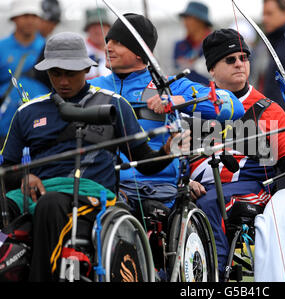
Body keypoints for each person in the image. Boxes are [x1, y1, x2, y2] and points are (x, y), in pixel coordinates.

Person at [0, 31, 189, 281]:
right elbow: (8, 169)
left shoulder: (114, 105)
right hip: (39, 193)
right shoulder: (27, 112)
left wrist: (167, 151)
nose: (63, 80)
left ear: (86, 69)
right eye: (56, 73)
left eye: (71, 72)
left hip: (93, 196)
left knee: (50, 204)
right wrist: (25, 176)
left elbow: (144, 163)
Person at [149, 28, 285, 279]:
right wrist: (186, 182)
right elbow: (176, 157)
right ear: (211, 69)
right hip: (200, 187)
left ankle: (215, 274)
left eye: (244, 58)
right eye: (230, 60)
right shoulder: (191, 107)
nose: (240, 64)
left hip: (252, 189)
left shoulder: (269, 110)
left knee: (211, 203)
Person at [88, 14, 244, 212]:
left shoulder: (169, 86)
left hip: (155, 188)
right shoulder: (91, 87)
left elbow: (233, 106)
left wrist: (180, 101)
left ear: (139, 53)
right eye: (108, 41)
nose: (108, 47)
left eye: (118, 42)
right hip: (102, 185)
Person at [0, 0, 48, 146]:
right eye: (25, 15)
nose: (30, 20)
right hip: (5, 127)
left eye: (34, 16)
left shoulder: (49, 47)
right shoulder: (2, 47)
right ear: (14, 18)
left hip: (42, 125)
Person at [173, 1, 213, 86]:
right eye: (185, 18)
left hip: (211, 94)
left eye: (189, 18)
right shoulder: (179, 46)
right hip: (185, 95)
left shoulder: (215, 44)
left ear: (200, 21)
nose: (185, 22)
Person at [84, 7, 112, 80]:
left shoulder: (118, 51)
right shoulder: (79, 52)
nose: (99, 30)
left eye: (102, 25)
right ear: (87, 29)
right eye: (94, 26)